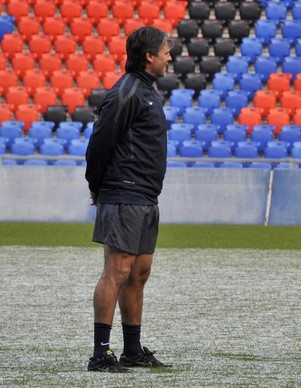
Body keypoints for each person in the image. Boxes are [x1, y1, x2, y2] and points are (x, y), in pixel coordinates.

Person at [85, 26, 172, 373]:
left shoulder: (147, 91)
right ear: (149, 56)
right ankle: (99, 354)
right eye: (165, 51)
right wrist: (97, 186)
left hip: (146, 196)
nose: (170, 57)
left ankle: (132, 350)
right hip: (124, 193)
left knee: (139, 272)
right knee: (117, 271)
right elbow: (99, 143)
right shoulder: (126, 92)